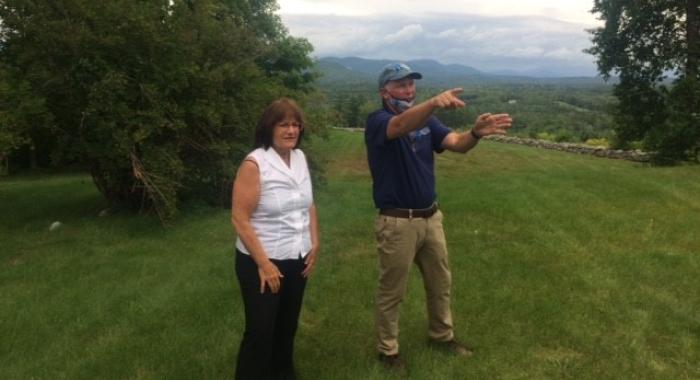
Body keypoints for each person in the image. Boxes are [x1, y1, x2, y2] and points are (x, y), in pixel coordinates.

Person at [365, 63, 512, 371]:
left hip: (431, 218)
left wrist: (474, 133)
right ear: (384, 92)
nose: (407, 89)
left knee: (440, 282)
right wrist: (431, 102)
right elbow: (400, 127)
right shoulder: (378, 121)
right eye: (400, 85)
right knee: (392, 290)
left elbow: (456, 145)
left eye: (410, 84)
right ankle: (388, 351)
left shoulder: (427, 122)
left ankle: (441, 337)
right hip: (397, 222)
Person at [231, 98, 319, 380]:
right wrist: (264, 264)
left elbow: (308, 204)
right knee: (260, 331)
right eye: (284, 124)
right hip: (261, 261)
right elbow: (240, 219)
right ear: (270, 127)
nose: (291, 130)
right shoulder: (255, 163)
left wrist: (315, 243)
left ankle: (282, 373)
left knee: (286, 327)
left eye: (295, 125)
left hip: (298, 257)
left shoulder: (300, 158)